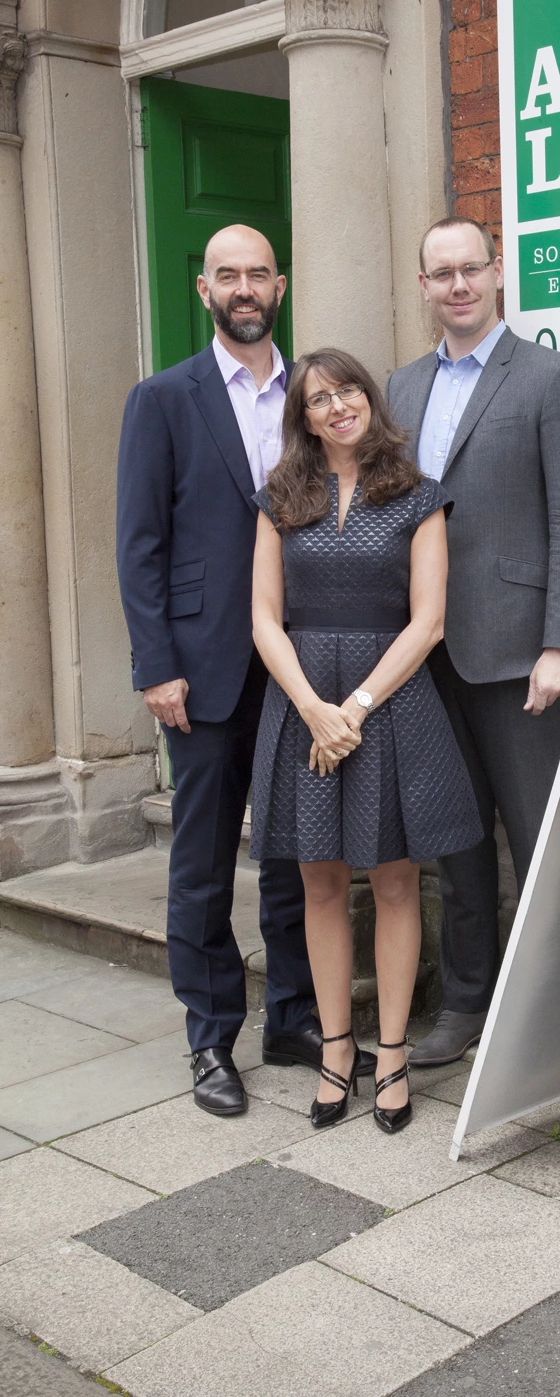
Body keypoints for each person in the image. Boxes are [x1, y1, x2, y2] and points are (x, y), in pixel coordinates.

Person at [116, 224, 374, 1117]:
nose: (244, 288)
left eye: (258, 273)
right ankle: (211, 1039)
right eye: (227, 275)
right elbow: (140, 544)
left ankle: (296, 1017)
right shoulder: (163, 399)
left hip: (304, 662)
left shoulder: (315, 393)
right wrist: (157, 665)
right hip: (207, 667)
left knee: (301, 852)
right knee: (203, 860)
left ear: (281, 284)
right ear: (204, 290)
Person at [387, 217, 560, 1068]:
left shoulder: (549, 378)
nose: (458, 286)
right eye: (441, 274)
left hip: (519, 654)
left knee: (541, 837)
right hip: (426, 655)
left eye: (471, 268)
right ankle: (467, 1004)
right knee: (456, 838)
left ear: (498, 273)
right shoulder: (400, 390)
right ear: (424, 287)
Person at [250, 347, 482, 1133]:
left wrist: (353, 705)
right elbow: (263, 617)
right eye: (318, 398)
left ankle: (390, 1056)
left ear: (369, 401)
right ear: (304, 417)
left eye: (348, 390)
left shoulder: (416, 494)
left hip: (390, 702)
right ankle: (337, 1049)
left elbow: (430, 621)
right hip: (303, 703)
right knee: (319, 881)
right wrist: (314, 709)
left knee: (391, 880)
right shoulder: (281, 495)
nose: (337, 405)